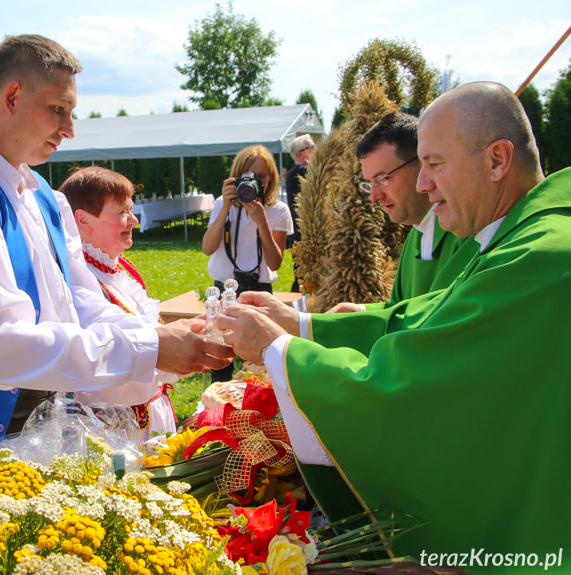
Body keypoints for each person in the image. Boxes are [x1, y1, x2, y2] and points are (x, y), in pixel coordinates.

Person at [217, 82, 570, 560]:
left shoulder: (544, 256)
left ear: (497, 160)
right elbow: (428, 314)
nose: (424, 184)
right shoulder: (525, 237)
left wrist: (279, 352)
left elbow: (422, 372)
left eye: (435, 164)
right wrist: (307, 327)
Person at [0, 34, 232, 465]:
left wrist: (155, 338)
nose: (68, 129)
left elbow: (78, 303)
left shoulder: (43, 195)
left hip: (39, 433)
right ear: (12, 96)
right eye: (58, 110)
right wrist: (149, 350)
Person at [61, 166, 178, 438]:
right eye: (122, 213)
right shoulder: (78, 280)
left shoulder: (119, 269)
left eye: (131, 210)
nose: (133, 220)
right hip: (113, 430)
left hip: (149, 417)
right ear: (83, 220)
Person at [327, 111, 479, 313]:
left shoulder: (466, 231)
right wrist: (361, 313)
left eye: (383, 178)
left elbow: (436, 322)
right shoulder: (415, 236)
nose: (374, 196)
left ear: (422, 165)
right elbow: (402, 311)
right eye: (369, 183)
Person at [201, 144, 292, 382]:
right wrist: (225, 209)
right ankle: (219, 407)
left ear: (270, 178)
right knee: (221, 356)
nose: (253, 182)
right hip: (224, 287)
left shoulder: (278, 210)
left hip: (259, 291)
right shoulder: (223, 203)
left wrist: (262, 221)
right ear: (235, 177)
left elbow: (275, 263)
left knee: (263, 358)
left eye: (260, 176)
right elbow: (207, 248)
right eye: (247, 176)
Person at [284, 135, 315, 250]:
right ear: (299, 153)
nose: (315, 149)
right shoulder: (298, 172)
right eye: (311, 147)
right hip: (303, 233)